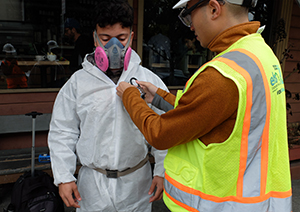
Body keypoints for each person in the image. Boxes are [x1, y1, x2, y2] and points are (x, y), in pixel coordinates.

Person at [116, 0, 292, 211]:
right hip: (256, 198)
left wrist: (129, 96)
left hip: (222, 205)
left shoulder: (222, 75)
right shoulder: (261, 53)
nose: (190, 26)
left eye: (190, 15)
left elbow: (160, 133)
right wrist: (160, 98)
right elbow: (208, 113)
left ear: (214, 9)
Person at [48, 0, 168, 211]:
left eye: (121, 38)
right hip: (92, 186)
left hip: (137, 183)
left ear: (131, 37)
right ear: (95, 38)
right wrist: (64, 177)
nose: (114, 47)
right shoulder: (78, 83)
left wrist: (161, 171)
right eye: (105, 39)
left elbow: (164, 128)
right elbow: (63, 131)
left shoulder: (148, 81)